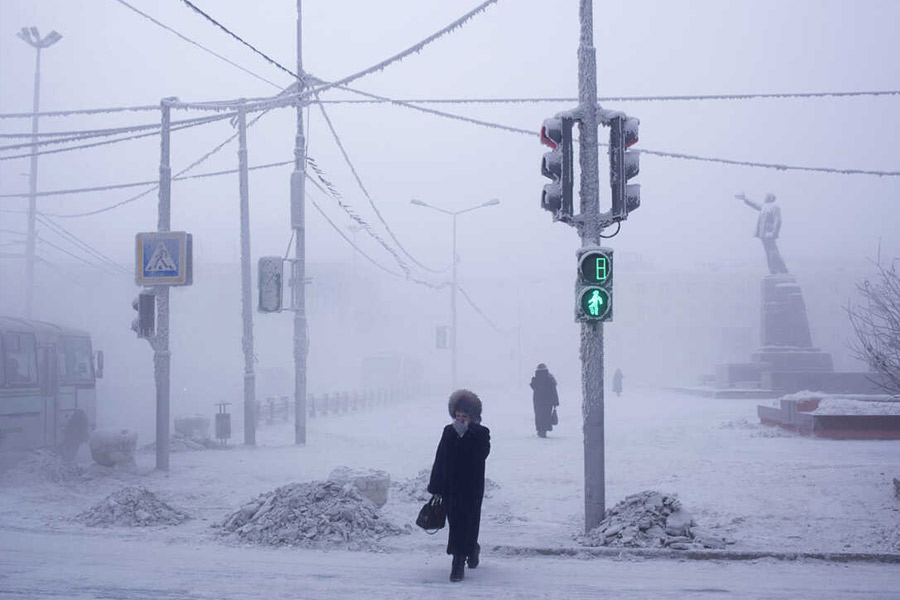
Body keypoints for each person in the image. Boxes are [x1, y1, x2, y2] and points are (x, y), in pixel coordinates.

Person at [427, 389, 491, 582]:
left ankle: (469, 551)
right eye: (458, 415)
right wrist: (436, 486)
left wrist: (468, 435)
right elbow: (440, 458)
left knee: (469, 522)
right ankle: (458, 560)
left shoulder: (481, 433)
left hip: (472, 488)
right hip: (451, 487)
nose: (461, 419)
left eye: (465, 416)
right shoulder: (448, 431)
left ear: (473, 416)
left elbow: (482, 454)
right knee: (456, 524)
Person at [736, 192, 788, 275]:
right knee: (768, 252)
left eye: (767, 196)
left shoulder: (775, 207)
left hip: (769, 233)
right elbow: (755, 204)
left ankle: (783, 269)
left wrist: (774, 232)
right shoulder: (764, 207)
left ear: (770, 198)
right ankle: (773, 270)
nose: (765, 197)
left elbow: (778, 221)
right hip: (763, 234)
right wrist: (745, 198)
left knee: (773, 252)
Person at [530, 363, 558, 438]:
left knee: (539, 415)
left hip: (538, 401)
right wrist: (555, 402)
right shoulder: (550, 379)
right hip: (548, 401)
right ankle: (544, 430)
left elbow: (532, 385)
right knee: (546, 415)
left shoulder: (536, 379)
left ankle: (540, 430)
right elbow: (554, 391)